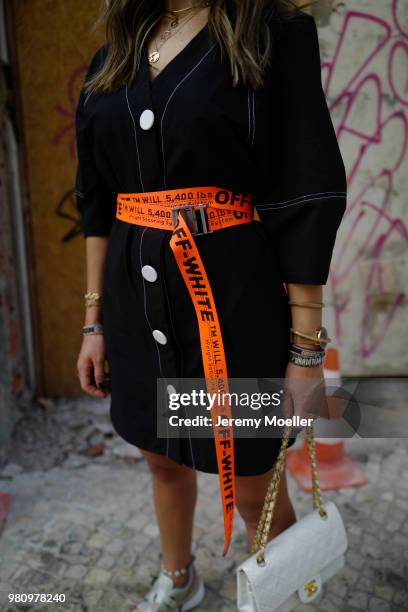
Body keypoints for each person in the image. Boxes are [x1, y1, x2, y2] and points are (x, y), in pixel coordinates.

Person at [75, 0, 347, 609]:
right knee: (161, 461)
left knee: (254, 483)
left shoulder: (271, 35)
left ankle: (277, 596)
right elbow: (96, 203)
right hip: (133, 309)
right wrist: (94, 321)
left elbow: (302, 191)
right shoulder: (113, 58)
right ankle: (180, 582)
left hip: (234, 308)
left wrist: (306, 354)